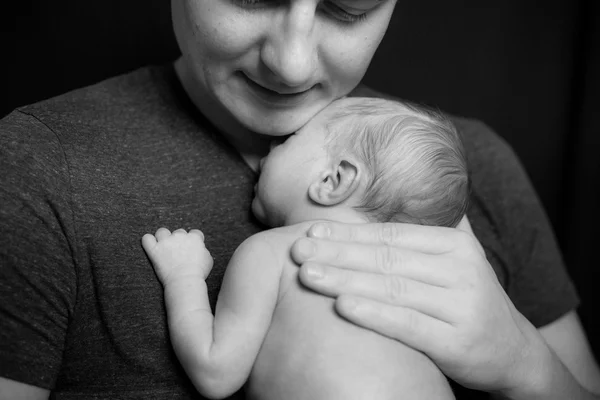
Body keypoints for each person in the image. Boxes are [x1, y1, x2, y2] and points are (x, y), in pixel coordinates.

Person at [0, 1, 599, 399]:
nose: (291, 64)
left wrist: (527, 365)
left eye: (348, 7)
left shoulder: (475, 168)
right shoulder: (36, 168)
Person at [141, 97, 468, 399]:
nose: (271, 143)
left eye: (290, 138)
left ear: (333, 180)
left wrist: (184, 276)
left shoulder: (275, 251)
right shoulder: (414, 284)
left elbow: (215, 372)